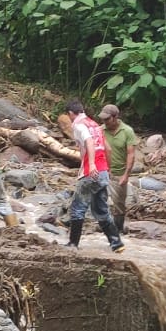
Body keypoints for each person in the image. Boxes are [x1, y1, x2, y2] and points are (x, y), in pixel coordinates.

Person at [64, 99, 125, 253]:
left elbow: (89, 142)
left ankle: (73, 244)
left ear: (71, 113)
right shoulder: (95, 125)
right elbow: (108, 149)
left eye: (69, 115)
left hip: (90, 172)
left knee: (77, 207)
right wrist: (107, 169)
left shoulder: (78, 125)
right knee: (101, 209)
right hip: (102, 171)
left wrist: (91, 165)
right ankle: (116, 243)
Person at [100, 104, 138, 236]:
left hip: (119, 173)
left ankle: (118, 230)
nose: (104, 122)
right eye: (103, 119)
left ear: (115, 117)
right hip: (103, 172)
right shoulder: (101, 131)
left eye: (107, 119)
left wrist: (126, 175)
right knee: (100, 200)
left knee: (119, 204)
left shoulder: (127, 131)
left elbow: (131, 154)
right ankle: (105, 226)